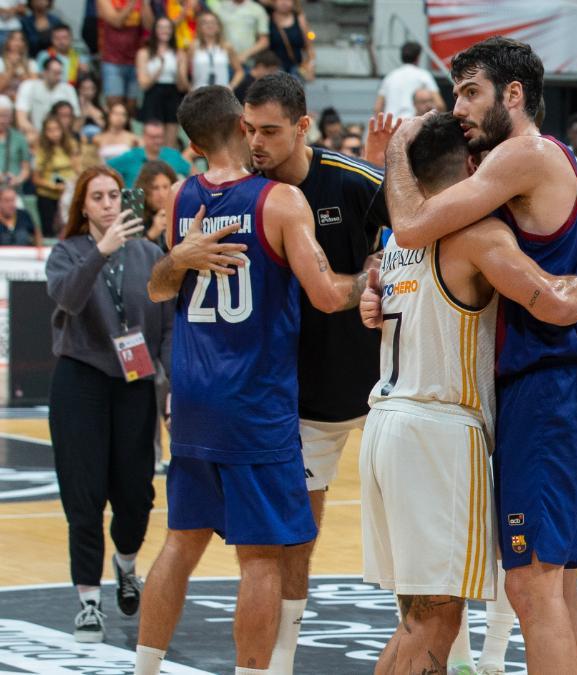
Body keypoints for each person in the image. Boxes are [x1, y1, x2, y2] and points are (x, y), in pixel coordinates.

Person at [357, 109, 577, 675]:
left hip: (384, 421)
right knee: (437, 619)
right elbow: (552, 301)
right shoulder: (478, 233)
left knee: (418, 616)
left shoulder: (393, 244)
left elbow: (377, 272)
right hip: (437, 429)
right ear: (475, 165)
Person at [134, 84, 370, 675]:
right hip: (254, 400)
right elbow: (324, 294)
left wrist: (181, 257)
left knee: (179, 541)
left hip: (191, 394)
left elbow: (159, 287)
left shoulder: (182, 198)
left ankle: (143, 668)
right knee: (261, 558)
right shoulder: (281, 200)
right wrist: (376, 278)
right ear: (243, 125)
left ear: (191, 144)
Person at [236, 73, 391, 674]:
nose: (256, 143)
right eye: (249, 130)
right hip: (302, 395)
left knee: (411, 531)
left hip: (383, 389)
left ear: (302, 127)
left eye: (269, 131)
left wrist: (375, 273)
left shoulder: (356, 182)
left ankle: (458, 655)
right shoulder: (249, 194)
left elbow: (402, 251)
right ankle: (282, 661)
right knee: (297, 532)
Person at [45, 164, 169, 643]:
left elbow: (168, 322)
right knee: (84, 495)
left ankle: (125, 564)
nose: (107, 204)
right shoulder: (68, 253)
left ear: (125, 200)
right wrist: (99, 252)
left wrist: (171, 383)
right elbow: (68, 299)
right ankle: (88, 602)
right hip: (81, 381)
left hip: (135, 381)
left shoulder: (148, 253)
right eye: (96, 197)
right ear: (82, 206)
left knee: (136, 496)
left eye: (114, 195)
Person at [137, 16, 186, 147]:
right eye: (161, 27)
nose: (165, 31)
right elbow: (143, 84)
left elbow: (183, 87)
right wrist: (160, 67)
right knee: (152, 140)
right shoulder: (144, 53)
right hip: (153, 95)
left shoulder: (179, 53)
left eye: (168, 27)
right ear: (155, 30)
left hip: (173, 94)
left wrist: (179, 70)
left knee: (170, 142)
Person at [97, 0, 149, 113]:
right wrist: (131, 3)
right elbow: (116, 21)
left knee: (132, 107)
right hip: (112, 60)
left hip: (135, 61)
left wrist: (145, 4)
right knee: (115, 106)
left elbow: (148, 25)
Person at [107, 120, 191, 188]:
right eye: (153, 137)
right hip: (137, 205)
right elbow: (106, 169)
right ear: (144, 136)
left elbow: (194, 175)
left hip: (167, 204)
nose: (157, 141)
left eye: (160, 137)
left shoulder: (172, 155)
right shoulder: (131, 156)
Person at [32, 114, 78, 236]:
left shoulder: (71, 145)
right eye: (50, 130)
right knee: (50, 231)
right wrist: (54, 186)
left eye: (57, 129)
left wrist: (71, 182)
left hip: (69, 193)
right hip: (48, 195)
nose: (54, 133)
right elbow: (36, 179)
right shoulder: (41, 149)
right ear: (45, 132)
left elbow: (77, 169)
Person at [374, 40, 443, 119]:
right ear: (418, 57)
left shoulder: (389, 77)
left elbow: (377, 108)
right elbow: (439, 105)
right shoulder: (423, 75)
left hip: (390, 126)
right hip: (411, 125)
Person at [15, 56, 77, 138]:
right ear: (45, 72)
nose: (59, 77)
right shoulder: (28, 86)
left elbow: (75, 119)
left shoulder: (68, 89)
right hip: (35, 134)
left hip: (61, 136)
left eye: (60, 73)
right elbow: (21, 120)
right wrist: (40, 135)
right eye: (55, 73)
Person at [186, 10, 243, 91]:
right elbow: (185, 71)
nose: (210, 25)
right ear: (199, 27)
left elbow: (239, 71)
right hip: (199, 94)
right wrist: (189, 88)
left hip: (221, 94)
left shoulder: (226, 46)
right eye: (205, 23)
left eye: (213, 22)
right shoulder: (193, 46)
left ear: (218, 27)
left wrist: (231, 87)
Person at [213, 0, 268, 70]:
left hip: (248, 63)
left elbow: (264, 41)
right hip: (223, 61)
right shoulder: (219, 8)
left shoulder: (257, 9)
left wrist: (245, 55)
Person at [135, 159, 176, 250]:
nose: (161, 194)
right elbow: (133, 256)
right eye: (155, 188)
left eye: (165, 187)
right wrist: (152, 234)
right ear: (145, 189)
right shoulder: (136, 216)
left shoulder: (181, 212)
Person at [267, 0, 311, 81]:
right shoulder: (267, 18)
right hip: (273, 68)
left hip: (296, 67)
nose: (284, 2)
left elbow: (308, 45)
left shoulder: (300, 19)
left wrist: (310, 64)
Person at [0, 94, 31, 189]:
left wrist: (18, 180)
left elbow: (26, 168)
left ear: (11, 117)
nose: (2, 120)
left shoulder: (19, 138)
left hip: (12, 190)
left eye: (5, 116)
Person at [0, 30, 37, 98]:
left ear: (24, 44)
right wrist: (11, 69)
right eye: (14, 39)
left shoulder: (31, 63)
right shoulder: (1, 62)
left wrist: (20, 70)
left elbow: (34, 88)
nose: (17, 43)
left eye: (21, 40)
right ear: (8, 42)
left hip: (25, 98)